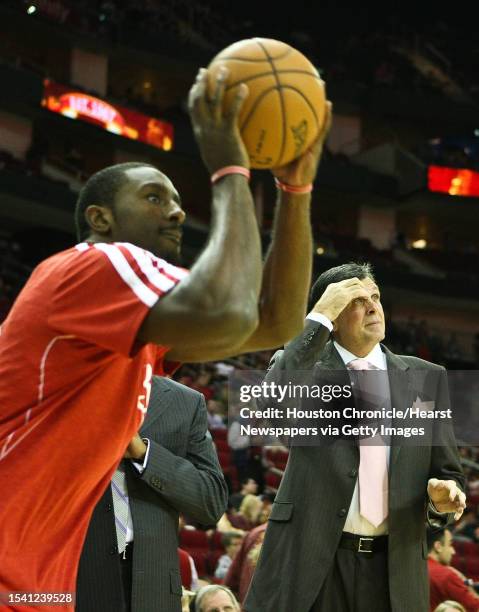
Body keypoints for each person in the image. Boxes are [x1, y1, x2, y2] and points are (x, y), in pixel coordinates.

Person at [0, 66, 332, 608]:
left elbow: (275, 323)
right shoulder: (97, 263)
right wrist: (230, 167)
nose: (177, 210)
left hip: (39, 583)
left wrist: (295, 189)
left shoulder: (134, 334)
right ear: (100, 218)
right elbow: (228, 308)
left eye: (177, 199)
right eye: (155, 197)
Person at [244, 262, 465, 612]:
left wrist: (441, 502)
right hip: (314, 564)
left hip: (394, 571)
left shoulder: (427, 378)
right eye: (357, 300)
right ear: (331, 315)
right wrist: (316, 319)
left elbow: (450, 474)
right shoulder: (302, 369)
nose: (373, 306)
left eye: (375, 296)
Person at [76, 376, 223, 612]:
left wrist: (145, 454)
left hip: (154, 586)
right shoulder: (64, 389)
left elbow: (211, 501)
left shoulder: (185, 401)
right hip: (78, 575)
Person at [427, 527, 479, 612]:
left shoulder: (416, 569)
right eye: (450, 544)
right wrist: (465, 583)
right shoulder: (446, 575)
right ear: (438, 546)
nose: (453, 551)